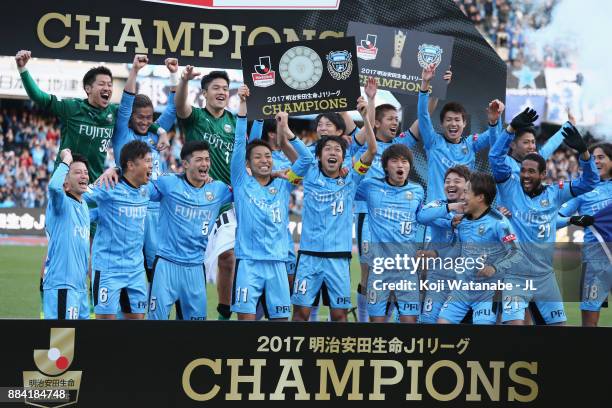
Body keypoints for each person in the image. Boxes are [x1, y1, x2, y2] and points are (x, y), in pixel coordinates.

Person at [489, 108, 599, 325]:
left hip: (545, 277)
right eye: (523, 171)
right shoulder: (510, 187)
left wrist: (584, 153)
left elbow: (589, 182)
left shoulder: (555, 192)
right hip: (514, 276)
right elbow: (494, 157)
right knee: (514, 328)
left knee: (560, 330)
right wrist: (510, 129)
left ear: (543, 175)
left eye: (531, 172)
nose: (526, 175)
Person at [175, 67, 261, 320]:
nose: (222, 92)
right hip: (195, 200)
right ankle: (186, 313)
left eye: (225, 88)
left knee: (229, 256)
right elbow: (181, 108)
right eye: (216, 88)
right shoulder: (197, 117)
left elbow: (250, 146)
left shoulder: (235, 121)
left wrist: (255, 106)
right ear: (204, 93)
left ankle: (224, 312)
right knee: (191, 263)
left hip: (226, 201)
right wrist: (183, 82)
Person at [290, 97, 377, 322]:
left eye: (337, 149)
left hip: (338, 258)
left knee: (339, 315)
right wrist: (283, 127)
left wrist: (365, 116)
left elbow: (372, 149)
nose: (332, 152)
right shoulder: (309, 175)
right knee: (301, 313)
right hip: (309, 256)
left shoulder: (352, 178)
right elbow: (292, 150)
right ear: (318, 156)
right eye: (327, 149)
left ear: (343, 156)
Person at [230, 86, 310, 320]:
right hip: (248, 264)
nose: (264, 160)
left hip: (277, 264)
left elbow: (305, 160)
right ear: (247, 163)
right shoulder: (242, 181)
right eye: (258, 157)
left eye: (267, 156)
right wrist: (244, 105)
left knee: (281, 325)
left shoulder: (285, 183)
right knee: (246, 321)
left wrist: (285, 129)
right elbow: (238, 142)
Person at [110, 55, 177, 283]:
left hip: (158, 210)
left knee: (156, 270)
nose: (145, 121)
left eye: (149, 118)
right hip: (129, 206)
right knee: (129, 266)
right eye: (140, 117)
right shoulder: (122, 133)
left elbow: (172, 109)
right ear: (131, 117)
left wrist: (173, 74)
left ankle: (152, 314)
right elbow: (126, 102)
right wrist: (135, 71)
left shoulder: (155, 133)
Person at [148, 141, 232, 320]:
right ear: (185, 164)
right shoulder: (168, 183)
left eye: (207, 159)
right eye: (199, 159)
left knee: (195, 332)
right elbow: (138, 186)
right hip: (166, 263)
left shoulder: (218, 189)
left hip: (195, 268)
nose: (205, 164)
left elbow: (246, 187)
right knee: (154, 325)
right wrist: (116, 170)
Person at [437, 172, 522, 324]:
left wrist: (494, 267)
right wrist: (434, 254)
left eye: (466, 192)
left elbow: (516, 252)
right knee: (442, 324)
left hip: (487, 294)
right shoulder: (461, 221)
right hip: (461, 290)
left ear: (480, 197)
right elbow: (457, 249)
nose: (462, 197)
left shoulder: (499, 222)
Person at [355, 144, 424, 322]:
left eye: (404, 161)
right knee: (377, 324)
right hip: (379, 269)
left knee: (410, 321)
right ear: (385, 166)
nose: (400, 165)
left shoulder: (417, 191)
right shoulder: (370, 186)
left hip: (406, 269)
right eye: (395, 161)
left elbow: (422, 217)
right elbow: (348, 187)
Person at [85, 141, 153, 319]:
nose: (151, 165)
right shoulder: (109, 186)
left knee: (136, 322)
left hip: (136, 270)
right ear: (131, 165)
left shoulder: (148, 189)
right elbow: (79, 195)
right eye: (147, 161)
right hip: (108, 269)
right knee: (105, 327)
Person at [417, 63, 504, 201]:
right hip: (437, 215)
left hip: (463, 215)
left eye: (457, 120)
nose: (453, 124)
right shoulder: (433, 141)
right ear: (441, 124)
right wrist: (425, 83)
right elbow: (423, 115)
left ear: (464, 123)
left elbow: (495, 139)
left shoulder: (471, 144)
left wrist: (495, 120)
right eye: (449, 120)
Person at [558, 142, 612, 326]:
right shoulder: (582, 190)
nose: (596, 161)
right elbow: (555, 219)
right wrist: (572, 220)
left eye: (601, 157)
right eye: (594, 157)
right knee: (589, 326)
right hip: (595, 265)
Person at [417, 165, 471, 323]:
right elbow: (421, 216)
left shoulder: (475, 209)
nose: (451, 184)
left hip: (466, 282)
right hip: (439, 280)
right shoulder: (439, 205)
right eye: (447, 181)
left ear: (468, 185)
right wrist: (451, 210)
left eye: (457, 181)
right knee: (428, 321)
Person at [42, 149, 90, 319]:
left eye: (85, 172)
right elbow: (54, 187)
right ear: (66, 183)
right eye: (77, 172)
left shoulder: (83, 205)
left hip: (80, 289)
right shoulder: (60, 203)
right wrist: (67, 159)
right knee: (61, 342)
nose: (84, 175)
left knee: (79, 343)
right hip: (62, 286)